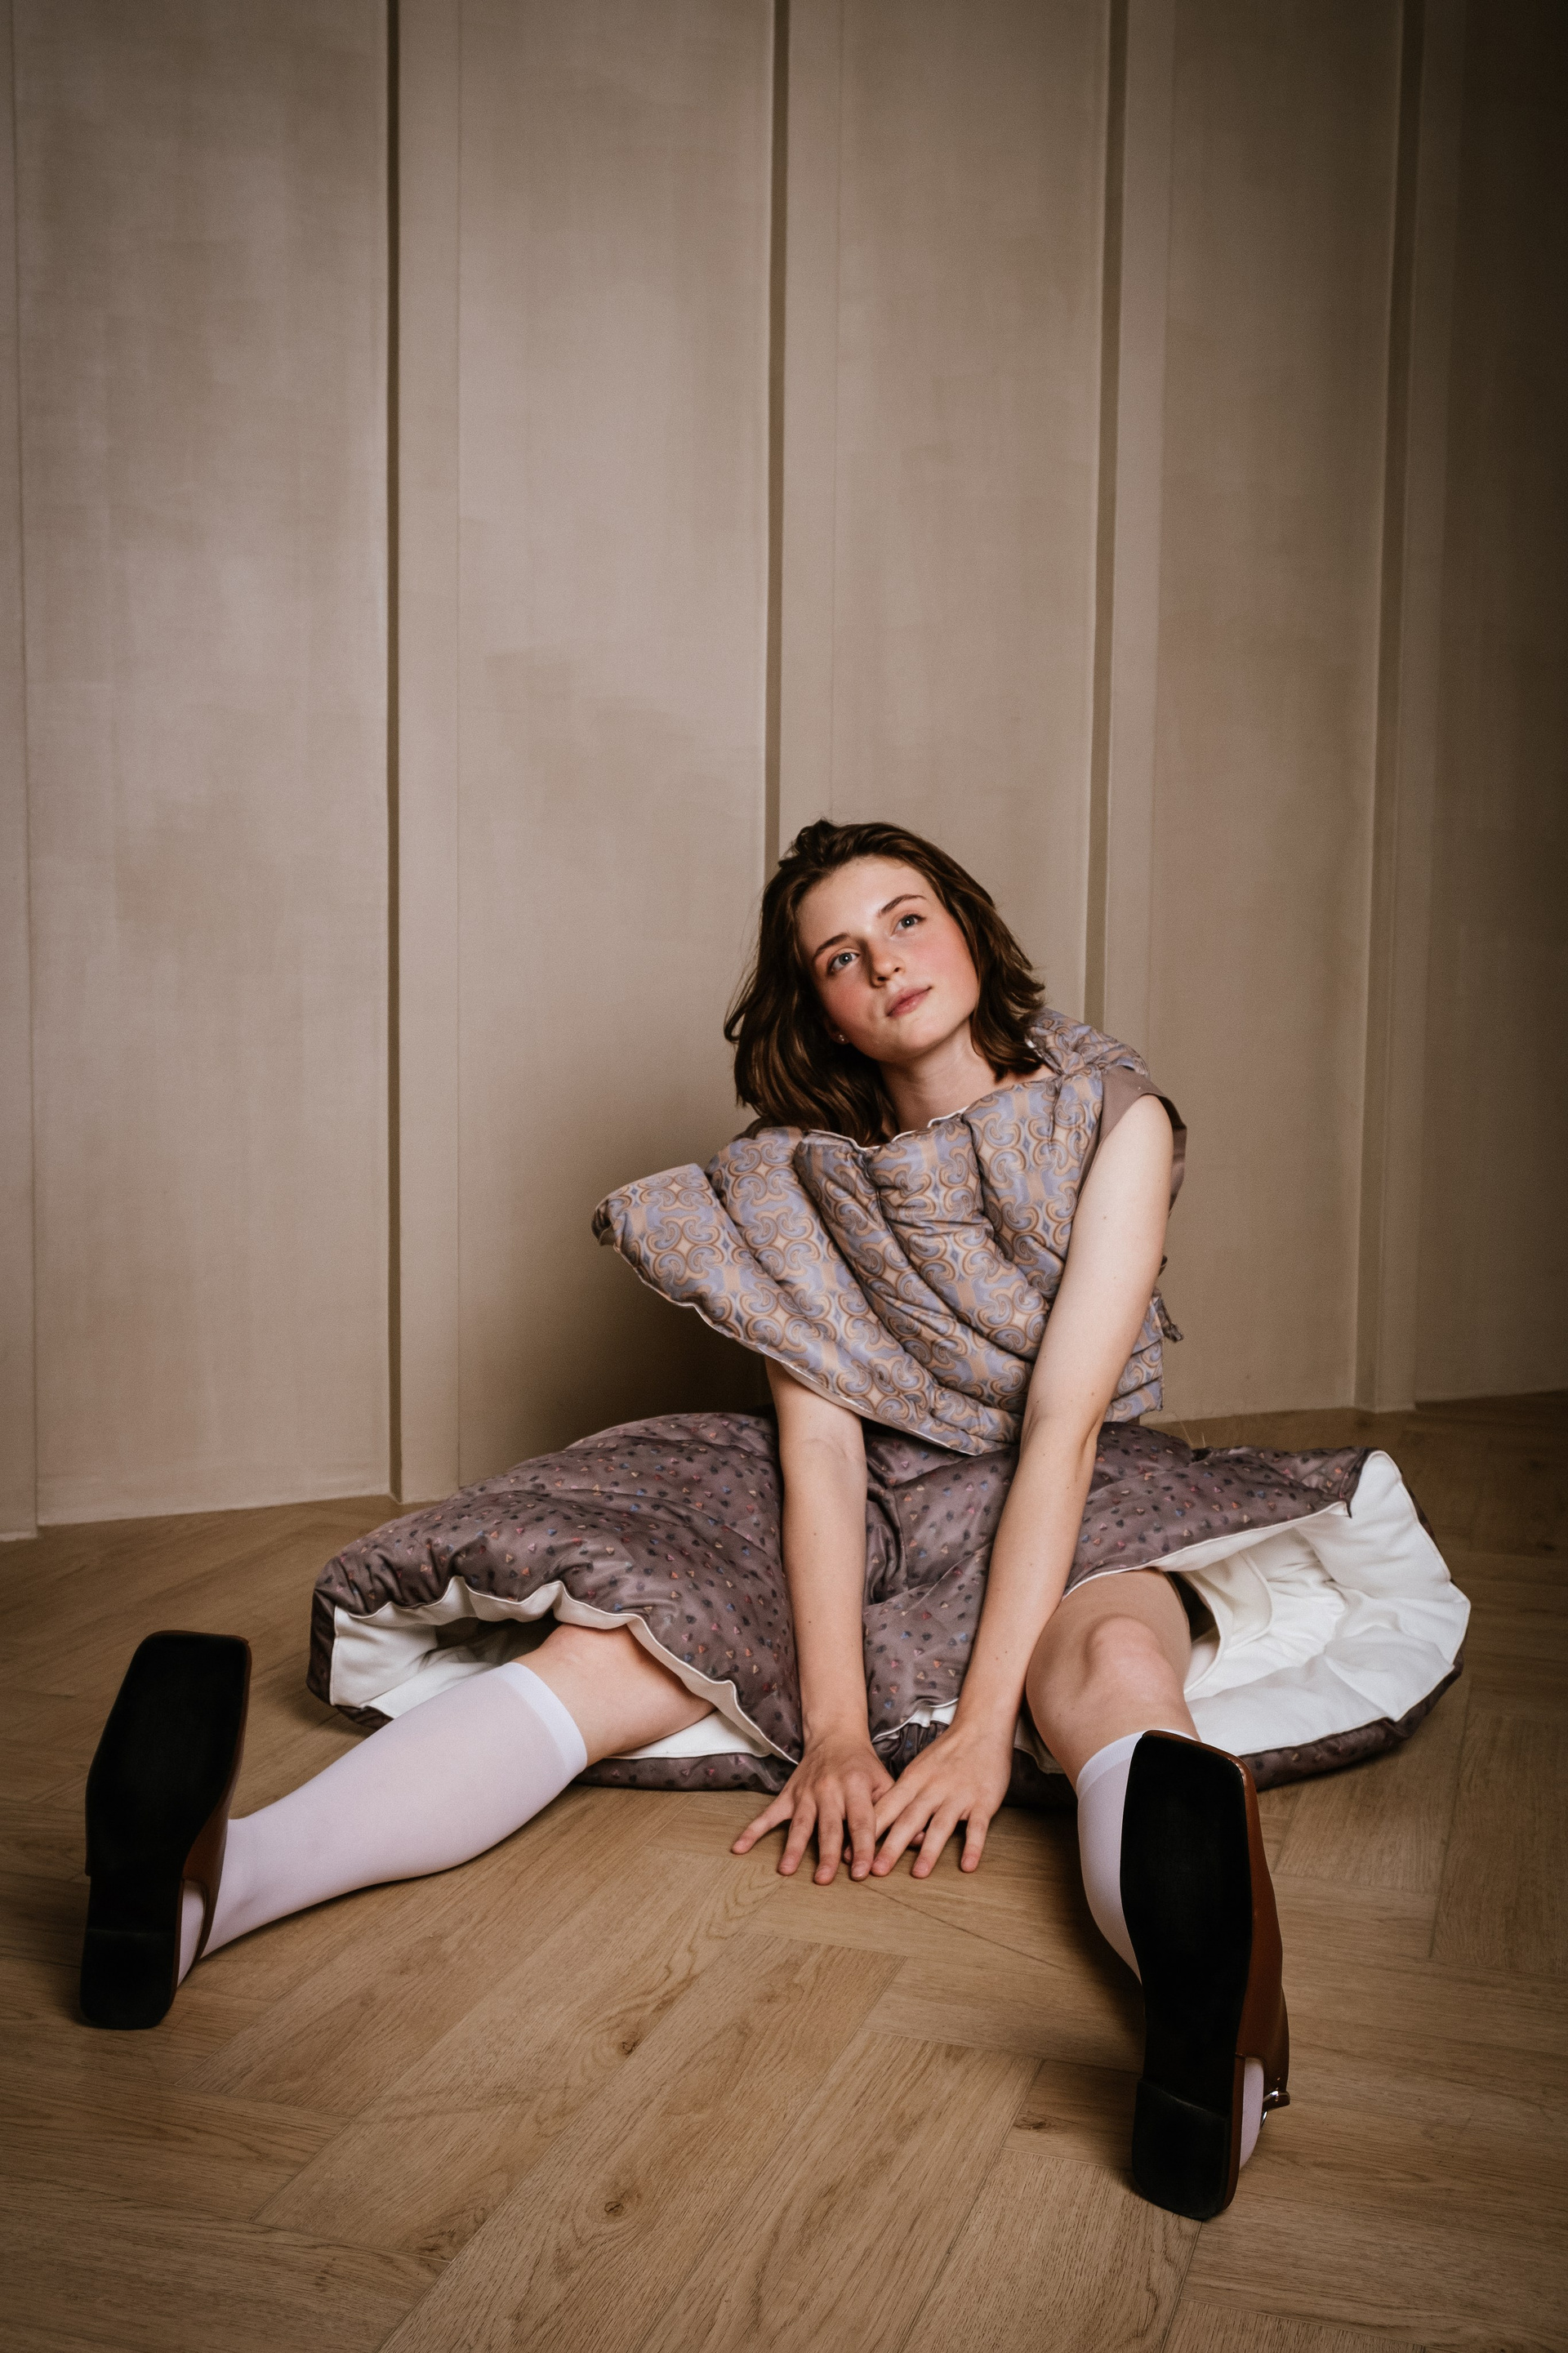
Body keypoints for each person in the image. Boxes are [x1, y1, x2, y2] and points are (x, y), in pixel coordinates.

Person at [80, 820, 1467, 2224]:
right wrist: (840, 1734)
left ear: (968, 926)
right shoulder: (788, 1177)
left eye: (908, 918)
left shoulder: (1114, 1116)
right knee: (614, 1649)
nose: (888, 962)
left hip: (1071, 1479)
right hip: (856, 1500)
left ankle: (1208, 2024)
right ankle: (206, 1887)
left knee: (1108, 1668)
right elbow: (820, 1455)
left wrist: (982, 1734)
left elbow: (1059, 1429)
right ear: (822, 1008)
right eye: (843, 956)